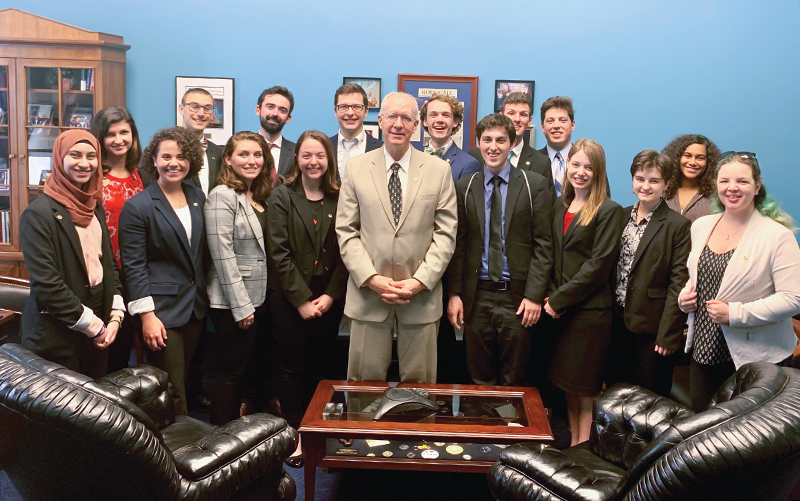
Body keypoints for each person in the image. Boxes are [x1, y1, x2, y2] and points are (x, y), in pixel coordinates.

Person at [336, 91, 457, 383]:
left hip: (420, 298)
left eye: (406, 117)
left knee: (419, 392)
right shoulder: (356, 168)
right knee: (363, 388)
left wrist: (419, 282)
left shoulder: (439, 171)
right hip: (368, 296)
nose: (398, 124)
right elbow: (346, 231)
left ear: (417, 124)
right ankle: (364, 433)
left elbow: (446, 234)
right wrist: (371, 278)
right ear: (379, 121)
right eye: (392, 116)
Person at [678, 152, 800, 411]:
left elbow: (793, 298)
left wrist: (736, 313)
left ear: (757, 186)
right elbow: (700, 277)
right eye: (725, 181)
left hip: (758, 355)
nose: (732, 188)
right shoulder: (701, 225)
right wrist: (684, 298)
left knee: (751, 438)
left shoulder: (777, 236)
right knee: (703, 430)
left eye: (742, 181)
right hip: (704, 349)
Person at [447, 114, 553, 386]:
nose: (493, 147)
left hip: (517, 299)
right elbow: (458, 245)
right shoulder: (464, 187)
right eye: (487, 140)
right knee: (479, 377)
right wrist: (455, 294)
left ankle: (512, 428)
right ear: (478, 144)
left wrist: (533, 295)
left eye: (501, 140)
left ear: (512, 143)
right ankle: (483, 428)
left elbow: (544, 245)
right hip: (476, 296)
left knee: (514, 378)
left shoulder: (534, 185)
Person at [267, 130, 348, 467]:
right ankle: (297, 433)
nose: (313, 162)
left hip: (328, 297)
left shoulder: (341, 196)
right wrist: (301, 299)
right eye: (306, 155)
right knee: (291, 368)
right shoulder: (281, 196)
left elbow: (348, 250)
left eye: (320, 156)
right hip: (289, 298)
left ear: (328, 160)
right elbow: (278, 252)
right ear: (296, 158)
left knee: (323, 365)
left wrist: (330, 295)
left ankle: (322, 429)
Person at [19, 129, 124, 378]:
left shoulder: (94, 206)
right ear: (59, 159)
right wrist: (95, 327)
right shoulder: (38, 214)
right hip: (56, 338)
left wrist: (115, 316)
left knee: (94, 410)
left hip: (97, 334)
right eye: (75, 155)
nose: (84, 164)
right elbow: (48, 285)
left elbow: (108, 266)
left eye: (91, 156)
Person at [119, 127, 208, 415]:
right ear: (153, 161)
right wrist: (146, 316)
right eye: (166, 156)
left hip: (194, 306)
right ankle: (174, 453)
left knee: (184, 380)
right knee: (172, 389)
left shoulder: (198, 197)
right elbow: (133, 267)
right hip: (161, 312)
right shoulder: (138, 206)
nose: (174, 163)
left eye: (182, 157)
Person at [544, 138, 623, 446]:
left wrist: (558, 300)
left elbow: (598, 266)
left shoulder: (609, 210)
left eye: (588, 167)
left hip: (589, 315)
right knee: (569, 391)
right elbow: (551, 255)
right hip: (562, 313)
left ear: (598, 172)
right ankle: (574, 449)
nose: (580, 172)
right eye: (575, 165)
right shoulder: (561, 205)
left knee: (586, 393)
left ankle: (583, 455)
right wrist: (551, 296)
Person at [606, 150, 690, 397]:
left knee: (649, 399)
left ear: (666, 185)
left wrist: (667, 335)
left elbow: (678, 283)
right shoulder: (619, 216)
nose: (645, 186)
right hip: (616, 323)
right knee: (614, 394)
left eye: (654, 181)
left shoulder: (678, 226)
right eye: (640, 179)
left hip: (652, 330)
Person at [205, 131, 273, 425]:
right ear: (228, 159)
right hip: (232, 302)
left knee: (246, 372)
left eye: (257, 154)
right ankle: (220, 438)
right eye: (243, 154)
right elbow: (222, 254)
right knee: (230, 375)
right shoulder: (222, 194)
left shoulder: (256, 195)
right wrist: (241, 306)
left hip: (258, 297)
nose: (251, 160)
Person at [91, 106, 147, 373]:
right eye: (110, 134)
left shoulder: (143, 176)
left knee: (133, 348)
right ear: (100, 139)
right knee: (110, 349)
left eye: (124, 132)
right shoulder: (92, 177)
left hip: (137, 273)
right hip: (105, 274)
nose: (119, 139)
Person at [469, 93, 554, 194]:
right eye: (511, 113)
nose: (517, 119)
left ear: (529, 120)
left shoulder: (541, 162)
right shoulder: (475, 156)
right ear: (501, 116)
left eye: (523, 114)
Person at [662, 134, 721, 223]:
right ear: (677, 158)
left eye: (700, 158)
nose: (693, 162)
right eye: (687, 156)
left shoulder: (717, 194)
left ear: (708, 162)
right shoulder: (662, 189)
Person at [420, 93, 480, 180]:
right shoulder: (414, 159)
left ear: (455, 122)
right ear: (425, 121)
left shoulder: (468, 164)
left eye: (446, 115)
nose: (439, 120)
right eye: (433, 115)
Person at [329, 83, 382, 179]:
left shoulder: (381, 149)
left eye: (356, 107)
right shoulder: (324, 147)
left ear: (366, 111)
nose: (350, 113)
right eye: (343, 107)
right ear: (336, 112)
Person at [178, 87, 223, 195]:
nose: (201, 113)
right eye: (195, 107)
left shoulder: (218, 153)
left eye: (207, 108)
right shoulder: (166, 150)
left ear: (212, 114)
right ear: (181, 109)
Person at [256, 86, 296, 179]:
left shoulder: (296, 153)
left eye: (282, 110)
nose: (275, 114)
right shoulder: (241, 148)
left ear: (288, 118)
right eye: (270, 107)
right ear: (258, 110)